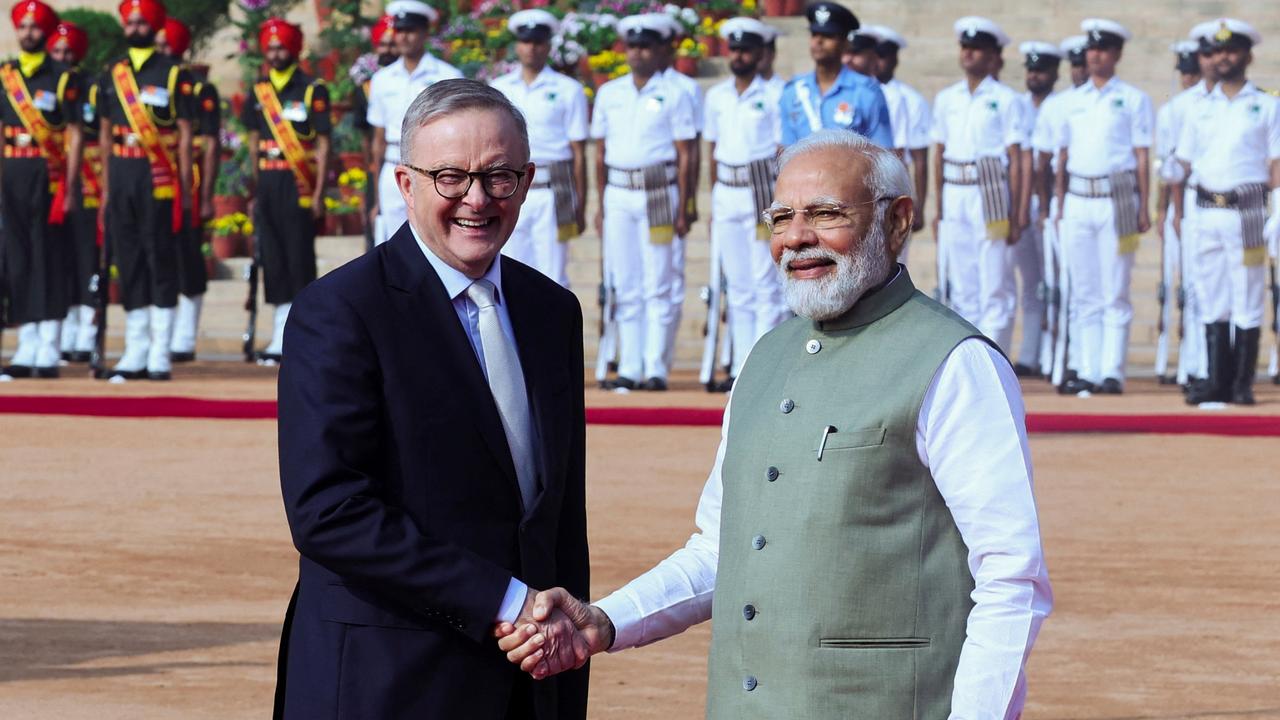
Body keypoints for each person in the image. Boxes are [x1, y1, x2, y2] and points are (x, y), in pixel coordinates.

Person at [497, 130, 1052, 719]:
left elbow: (1011, 578)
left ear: (898, 221)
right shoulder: (765, 359)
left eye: (827, 213)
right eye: (781, 217)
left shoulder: (955, 361)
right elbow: (720, 549)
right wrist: (605, 622)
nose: (796, 238)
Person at [274, 78, 590, 720]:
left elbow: (557, 513)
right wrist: (504, 600)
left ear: (527, 182)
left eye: (499, 177)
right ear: (405, 184)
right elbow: (329, 511)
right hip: (388, 681)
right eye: (450, 177)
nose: (476, 199)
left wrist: (561, 646)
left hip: (530, 677)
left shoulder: (551, 311)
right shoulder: (340, 312)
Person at [1173, 19, 1278, 406]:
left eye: (1231, 50)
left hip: (1246, 212)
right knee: (1212, 295)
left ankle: (1241, 382)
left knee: (1247, 295)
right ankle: (1217, 379)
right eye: (1216, 51)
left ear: (1247, 55)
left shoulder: (1266, 104)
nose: (1223, 58)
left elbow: (1276, 163)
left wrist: (1277, 211)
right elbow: (1184, 160)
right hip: (1206, 210)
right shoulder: (1198, 108)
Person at [591, 15, 695, 391]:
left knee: (659, 281)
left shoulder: (675, 92)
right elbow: (600, 154)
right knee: (626, 282)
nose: (638, 53)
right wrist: (600, 203)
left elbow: (686, 152)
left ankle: (656, 367)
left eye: (646, 47)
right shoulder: (609, 93)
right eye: (633, 46)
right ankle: (630, 366)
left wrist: (684, 204)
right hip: (619, 190)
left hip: (657, 190)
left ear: (659, 51)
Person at [1052, 19, 1153, 395]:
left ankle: (1111, 369)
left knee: (1115, 288)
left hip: (1118, 201)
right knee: (1083, 290)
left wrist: (1144, 205)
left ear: (1117, 55)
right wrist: (1060, 204)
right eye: (1091, 49)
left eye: (1103, 49)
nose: (1095, 55)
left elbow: (1142, 157)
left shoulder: (1133, 99)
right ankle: (1085, 366)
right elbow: (1061, 159)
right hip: (1079, 198)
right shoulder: (1070, 102)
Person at [98, 0, 194, 381]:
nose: (135, 25)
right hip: (121, 170)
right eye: (130, 20)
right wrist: (106, 185)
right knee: (129, 257)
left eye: (142, 20)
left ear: (154, 27)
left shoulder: (173, 73)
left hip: (158, 174)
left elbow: (185, 137)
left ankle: (160, 350)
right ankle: (135, 348)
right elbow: (104, 135)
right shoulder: (112, 75)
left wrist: (185, 188)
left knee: (159, 256)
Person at [703, 17, 787, 392]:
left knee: (765, 283)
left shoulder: (775, 93)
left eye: (747, 50)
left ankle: (763, 365)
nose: (739, 56)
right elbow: (710, 149)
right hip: (727, 189)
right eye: (734, 49)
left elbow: (782, 150)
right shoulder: (717, 96)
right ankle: (740, 364)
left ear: (760, 54)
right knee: (736, 284)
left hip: (760, 190)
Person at [931, 16, 1024, 351]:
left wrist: (1017, 210)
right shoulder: (947, 98)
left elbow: (1016, 158)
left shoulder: (1006, 98)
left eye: (977, 49)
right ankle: (968, 354)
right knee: (963, 282)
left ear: (992, 56)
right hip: (956, 189)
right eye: (965, 47)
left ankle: (994, 353)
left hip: (992, 192)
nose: (969, 54)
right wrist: (938, 209)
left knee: (993, 280)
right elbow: (938, 154)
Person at [0, 0, 82, 380]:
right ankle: (26, 343)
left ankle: (49, 346)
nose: (28, 33)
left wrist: (70, 183)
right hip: (12, 173)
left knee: (47, 258)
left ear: (45, 33)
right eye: (23, 27)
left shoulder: (63, 78)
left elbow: (76, 134)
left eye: (35, 27)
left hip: (49, 176)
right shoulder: (5, 76)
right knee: (18, 259)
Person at [240, 18, 329, 365]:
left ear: (293, 50)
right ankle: (280, 330)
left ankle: (299, 331)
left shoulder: (311, 89)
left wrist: (320, 192)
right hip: (268, 184)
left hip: (299, 185)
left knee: (298, 257)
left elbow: (323, 144)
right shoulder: (258, 91)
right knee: (273, 259)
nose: (275, 53)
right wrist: (254, 187)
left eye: (281, 47)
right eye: (271, 47)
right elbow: (252, 142)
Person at [490, 8, 588, 288]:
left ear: (548, 46)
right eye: (526, 42)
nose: (531, 48)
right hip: (509, 187)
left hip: (553, 188)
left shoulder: (569, 89)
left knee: (553, 275)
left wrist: (581, 202)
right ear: (517, 46)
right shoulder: (499, 87)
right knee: (506, 273)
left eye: (538, 42)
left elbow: (578, 152)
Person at [367, 0, 461, 247]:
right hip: (392, 164)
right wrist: (376, 194)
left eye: (411, 31)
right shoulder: (381, 79)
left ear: (424, 33)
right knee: (393, 242)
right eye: (400, 31)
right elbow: (377, 138)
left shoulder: (446, 75)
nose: (404, 37)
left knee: (435, 236)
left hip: (433, 168)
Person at [157, 16, 219, 363]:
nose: (161, 52)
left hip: (189, 184)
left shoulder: (198, 88)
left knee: (188, 256)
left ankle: (184, 334)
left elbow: (210, 145)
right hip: (155, 181)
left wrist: (207, 195)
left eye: (167, 46)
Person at [1154, 38, 1209, 388]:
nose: (1188, 77)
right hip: (1184, 201)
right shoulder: (1178, 107)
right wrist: (1166, 209)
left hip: (1208, 200)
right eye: (1184, 71)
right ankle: (1186, 363)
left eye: (1192, 70)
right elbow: (1169, 163)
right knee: (1184, 287)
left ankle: (1199, 365)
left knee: (1201, 288)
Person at [1036, 34, 1089, 384]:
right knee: (1068, 287)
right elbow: (1045, 161)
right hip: (1065, 203)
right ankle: (1070, 360)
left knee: (1086, 287)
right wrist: (1046, 206)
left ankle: (1089, 364)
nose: (1081, 69)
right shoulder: (1061, 104)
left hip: (1089, 199)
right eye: (1078, 63)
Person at [47, 20, 97, 365]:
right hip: (51, 184)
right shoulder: (48, 84)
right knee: (58, 260)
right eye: (58, 51)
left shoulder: (90, 87)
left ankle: (87, 334)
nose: (63, 56)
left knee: (86, 260)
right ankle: (63, 331)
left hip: (89, 184)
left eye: (69, 51)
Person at [1011, 41, 1061, 376]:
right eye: (1030, 69)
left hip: (1052, 201)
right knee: (1029, 282)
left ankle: (1057, 353)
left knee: (1056, 280)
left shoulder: (1062, 106)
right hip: (1021, 202)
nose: (1034, 75)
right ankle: (1030, 352)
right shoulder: (1017, 105)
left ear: (1054, 74)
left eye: (1041, 70)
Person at [778, 2, 892, 148]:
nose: (819, 41)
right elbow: (786, 148)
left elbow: (882, 151)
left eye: (828, 35)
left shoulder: (866, 92)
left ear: (845, 43)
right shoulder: (793, 91)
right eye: (814, 34)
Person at [863, 23, 930, 242]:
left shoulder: (910, 100)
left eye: (883, 56)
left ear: (894, 59)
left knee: (896, 259)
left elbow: (919, 158)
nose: (878, 62)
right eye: (874, 55)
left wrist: (918, 203)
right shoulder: (858, 93)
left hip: (892, 186)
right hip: (860, 184)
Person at [354, 14, 396, 252]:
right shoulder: (367, 88)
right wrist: (369, 176)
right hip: (378, 168)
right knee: (377, 234)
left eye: (392, 43)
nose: (387, 49)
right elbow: (365, 139)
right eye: (383, 44)